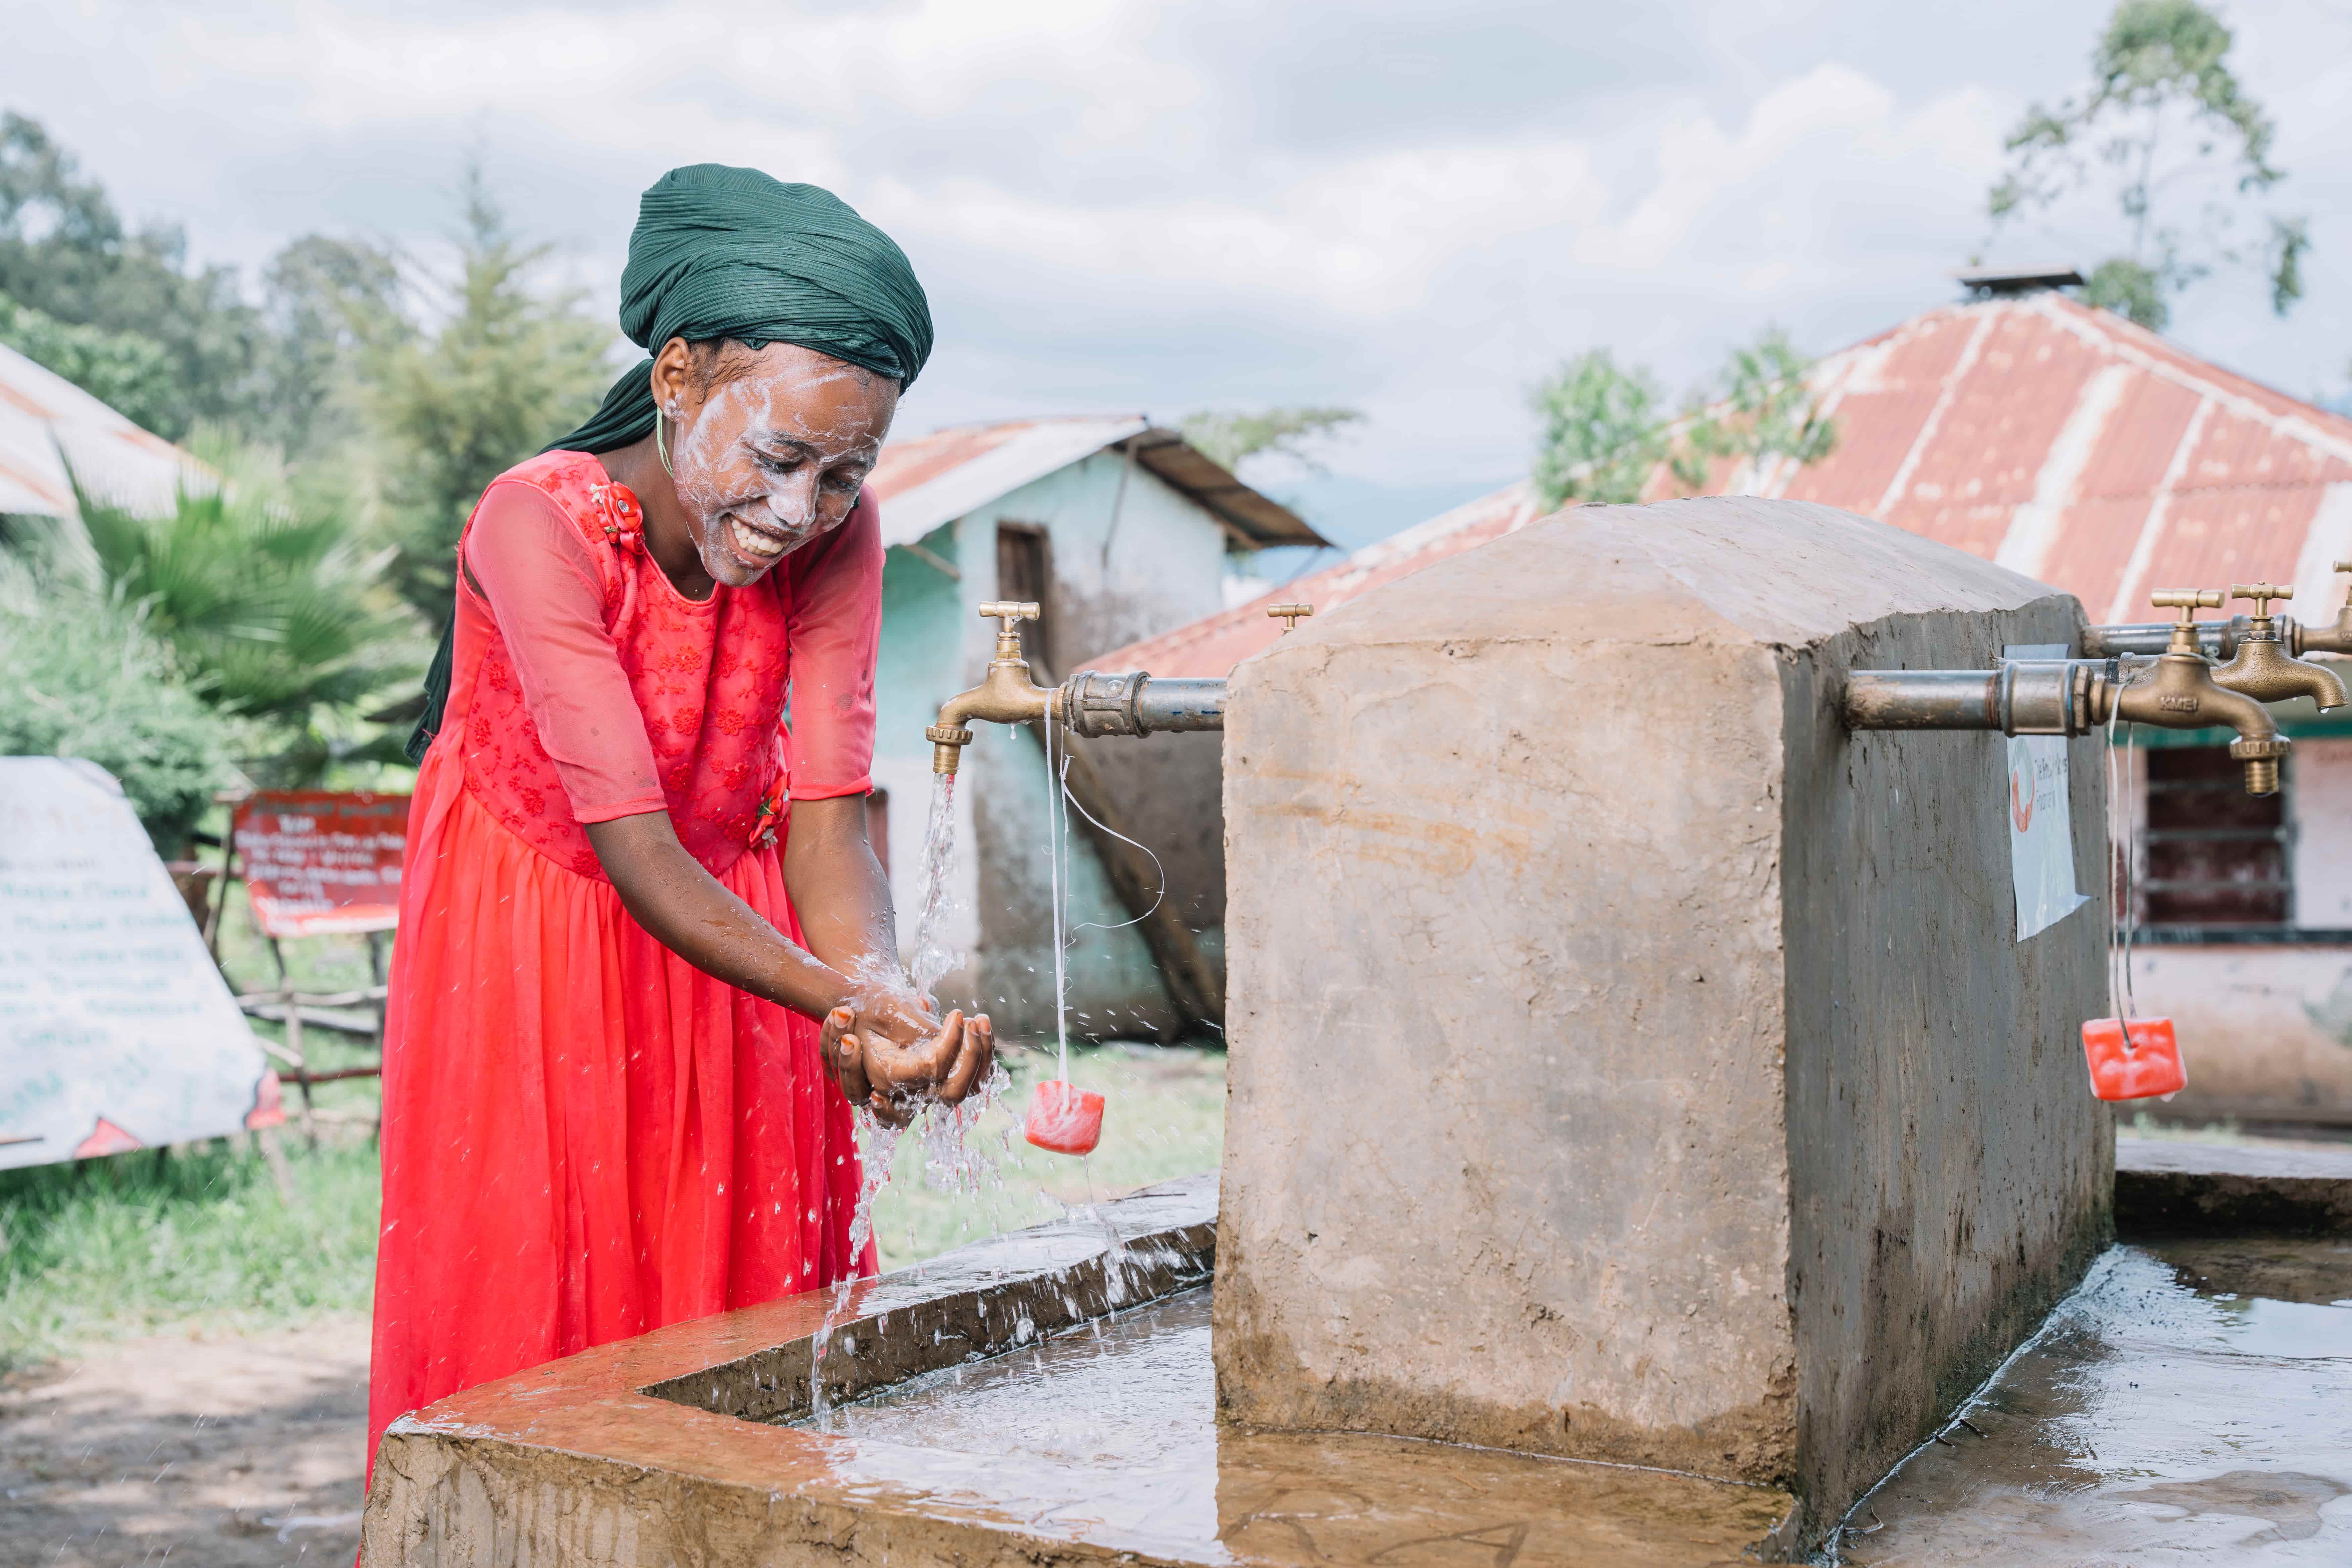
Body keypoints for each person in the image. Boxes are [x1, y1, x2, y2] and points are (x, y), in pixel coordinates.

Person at [366, 165, 992, 1472]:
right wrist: (840, 995)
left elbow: (826, 814)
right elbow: (635, 849)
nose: (795, 511)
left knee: (744, 1317)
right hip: (539, 943)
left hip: (746, 938)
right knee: (544, 1324)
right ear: (678, 378)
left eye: (841, 472)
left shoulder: (838, 534)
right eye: (776, 458)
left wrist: (879, 991)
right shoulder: (537, 521)